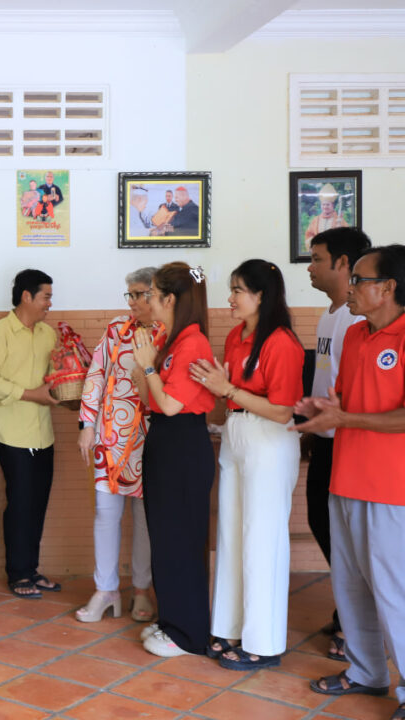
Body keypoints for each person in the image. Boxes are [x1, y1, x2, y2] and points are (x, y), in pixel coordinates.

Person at [297, 245, 405, 720]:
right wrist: (323, 409)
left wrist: (346, 418)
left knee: (395, 593)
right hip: (345, 479)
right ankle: (366, 672)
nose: (352, 289)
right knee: (351, 586)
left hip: (391, 489)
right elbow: (346, 399)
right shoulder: (357, 335)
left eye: (360, 280)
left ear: (388, 288)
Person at [192, 260, 304, 670]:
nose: (231, 298)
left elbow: (282, 410)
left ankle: (264, 642)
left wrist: (227, 390)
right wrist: (219, 389)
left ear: (261, 295)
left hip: (268, 440)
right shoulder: (237, 336)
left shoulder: (281, 343)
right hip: (236, 433)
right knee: (231, 533)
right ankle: (230, 627)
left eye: (238, 290)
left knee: (262, 539)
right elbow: (231, 392)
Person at [130, 262, 216, 657]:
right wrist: (144, 369)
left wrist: (148, 364)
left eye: (151, 294)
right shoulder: (171, 339)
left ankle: (188, 632)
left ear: (170, 299)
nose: (147, 301)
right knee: (164, 537)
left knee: (181, 540)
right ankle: (171, 620)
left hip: (183, 444)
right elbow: (152, 400)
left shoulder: (192, 343)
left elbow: (168, 403)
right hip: (165, 441)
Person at [75, 267, 159, 623]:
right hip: (110, 437)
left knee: (144, 518)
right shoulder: (116, 329)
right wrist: (86, 425)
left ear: (158, 295)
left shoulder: (168, 333)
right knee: (105, 514)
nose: (133, 302)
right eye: (131, 295)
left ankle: (141, 590)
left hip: (150, 437)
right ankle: (106, 589)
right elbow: (96, 375)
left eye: (140, 294)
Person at [303, 227, 370, 661]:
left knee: (348, 534)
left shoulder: (358, 318)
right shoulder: (330, 314)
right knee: (322, 523)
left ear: (343, 263)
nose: (309, 267)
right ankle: (350, 608)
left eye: (317, 258)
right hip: (325, 438)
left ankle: (357, 621)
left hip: (349, 440)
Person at [0, 269, 61, 600]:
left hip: (44, 434)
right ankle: (17, 573)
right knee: (21, 503)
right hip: (11, 434)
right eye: (46, 297)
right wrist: (30, 394)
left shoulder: (48, 334)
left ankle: (32, 569)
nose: (50, 303)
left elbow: (54, 378)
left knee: (38, 503)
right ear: (26, 296)